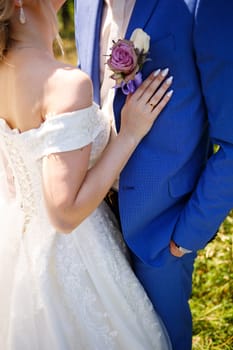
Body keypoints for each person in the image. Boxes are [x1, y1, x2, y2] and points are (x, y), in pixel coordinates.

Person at [0, 0, 174, 349]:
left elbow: (12, 178)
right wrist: (130, 134)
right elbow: (64, 214)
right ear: (18, 4)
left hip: (20, 250)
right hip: (77, 257)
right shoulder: (65, 85)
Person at [74, 0, 233, 349]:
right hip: (90, 220)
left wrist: (186, 236)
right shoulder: (85, 4)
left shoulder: (202, 5)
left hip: (161, 231)